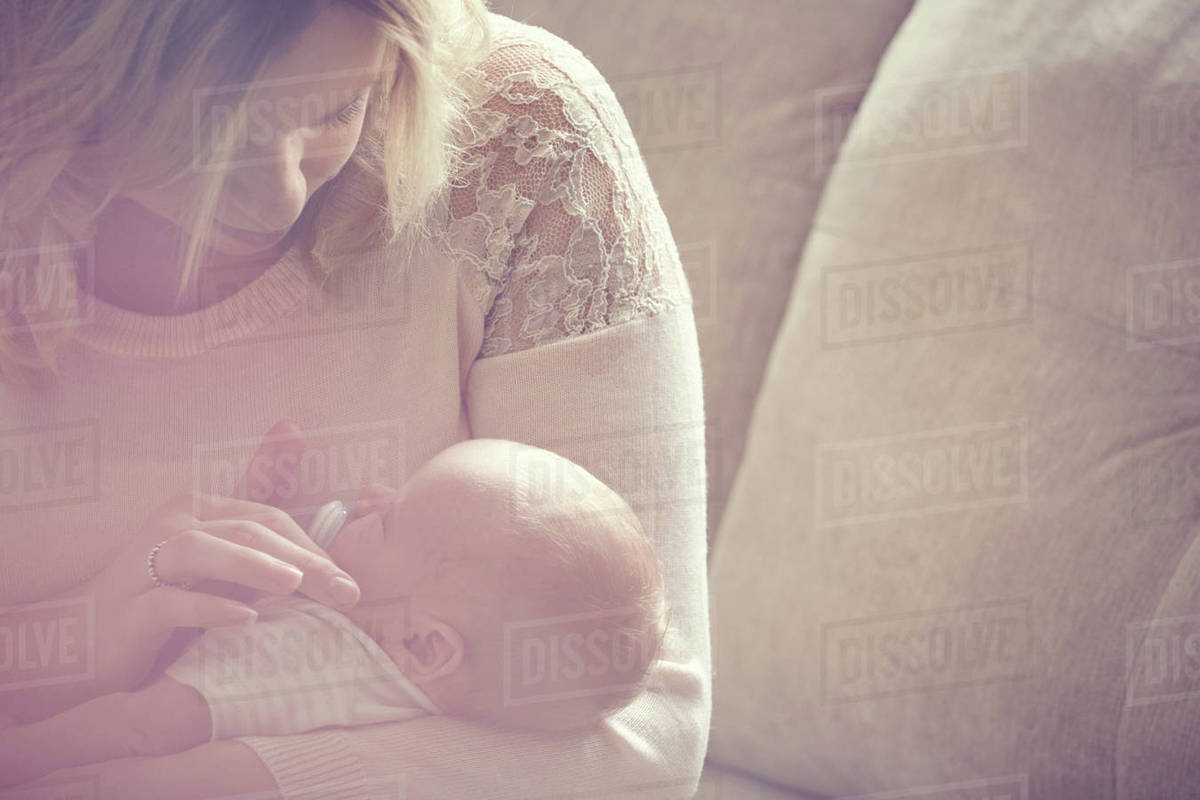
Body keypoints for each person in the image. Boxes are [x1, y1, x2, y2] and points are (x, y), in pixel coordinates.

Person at [0, 1, 709, 797]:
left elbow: (647, 738)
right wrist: (73, 644)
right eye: (204, 136)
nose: (279, 201)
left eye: (338, 107)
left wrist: (232, 780)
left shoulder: (525, 142)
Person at [0, 439, 668, 787]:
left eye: (387, 521)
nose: (368, 497)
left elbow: (141, 729)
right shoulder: (413, 676)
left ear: (426, 647)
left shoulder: (306, 660)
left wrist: (21, 755)